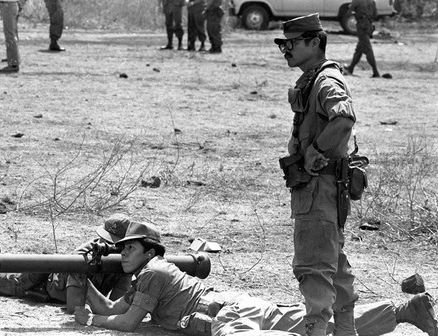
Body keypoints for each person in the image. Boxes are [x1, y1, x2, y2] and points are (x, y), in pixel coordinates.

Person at [74, 221, 438, 336]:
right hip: (235, 303)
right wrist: (80, 273)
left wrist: (93, 320)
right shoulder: (150, 274)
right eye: (120, 250)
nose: (121, 255)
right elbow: (112, 307)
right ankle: (406, 308)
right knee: (316, 322)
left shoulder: (152, 272)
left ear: (150, 251)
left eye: (128, 249)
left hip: (223, 314)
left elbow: (126, 321)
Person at [275, 13, 360, 336]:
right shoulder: (316, 78)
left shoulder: (325, 81)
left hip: (318, 191)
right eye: (283, 44)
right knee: (334, 267)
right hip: (322, 191)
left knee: (313, 270)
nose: (286, 49)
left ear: (314, 42)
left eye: (292, 43)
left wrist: (315, 151)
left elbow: (344, 118)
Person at [0, 214, 132, 314]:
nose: (108, 245)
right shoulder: (89, 251)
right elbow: (75, 305)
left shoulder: (125, 263)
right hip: (39, 279)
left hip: (50, 288)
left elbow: (115, 304)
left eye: (116, 242)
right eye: (107, 240)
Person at [343, 0, 380, 78]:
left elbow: (348, 14)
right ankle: (351, 68)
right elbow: (375, 14)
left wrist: (354, 12)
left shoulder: (356, 1)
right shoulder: (372, 1)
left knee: (367, 48)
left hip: (361, 25)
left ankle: (375, 71)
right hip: (369, 25)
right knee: (359, 48)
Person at [0, 0, 21, 73]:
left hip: (8, 5)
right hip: (10, 5)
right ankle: (14, 59)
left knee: (10, 35)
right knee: (11, 34)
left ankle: (13, 63)